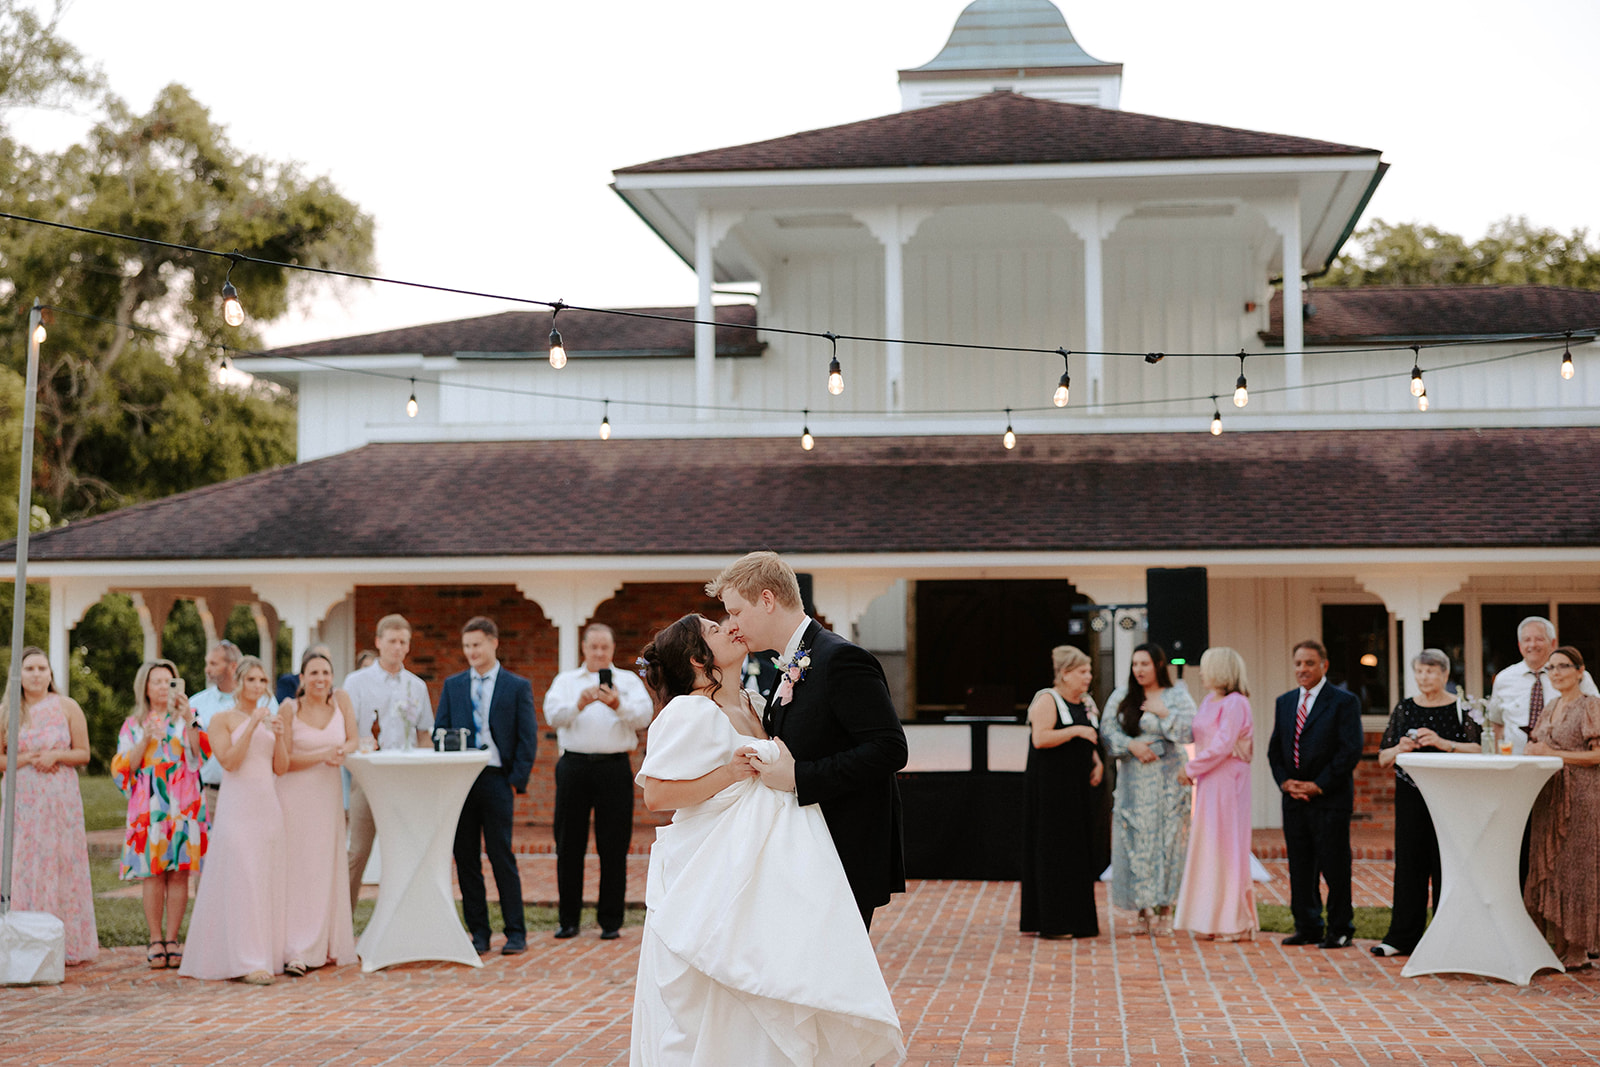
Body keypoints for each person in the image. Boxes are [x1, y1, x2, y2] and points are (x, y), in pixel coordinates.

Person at [630, 613, 903, 1066]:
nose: (728, 627)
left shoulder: (756, 703)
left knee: (779, 979)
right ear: (700, 660)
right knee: (727, 992)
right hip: (719, 875)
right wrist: (729, 773)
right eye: (714, 629)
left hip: (768, 871)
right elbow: (657, 795)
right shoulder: (690, 710)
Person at [711, 550, 908, 930]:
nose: (732, 625)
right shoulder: (791, 661)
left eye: (736, 612)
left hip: (843, 850)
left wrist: (800, 777)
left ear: (767, 600)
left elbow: (889, 749)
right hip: (807, 853)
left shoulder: (841, 659)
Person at [179, 657, 289, 984]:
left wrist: (279, 736)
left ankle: (265, 954)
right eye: (251, 680)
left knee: (264, 879)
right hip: (236, 807)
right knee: (242, 878)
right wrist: (253, 725)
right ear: (239, 682)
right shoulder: (221, 719)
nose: (258, 686)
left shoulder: (272, 717)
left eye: (262, 680)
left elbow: (280, 768)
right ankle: (246, 960)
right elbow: (229, 762)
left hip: (266, 805)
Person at [434, 616, 538, 955]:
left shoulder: (516, 686)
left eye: (477, 644)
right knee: (465, 857)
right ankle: (479, 932)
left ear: (494, 642)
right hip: (461, 781)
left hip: (496, 779)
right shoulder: (453, 686)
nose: (471, 652)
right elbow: (440, 731)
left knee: (500, 854)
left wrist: (515, 781)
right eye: (466, 646)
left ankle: (516, 932)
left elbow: (527, 737)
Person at [543, 622, 654, 940]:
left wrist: (617, 704)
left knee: (614, 844)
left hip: (614, 768)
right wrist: (579, 704)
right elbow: (552, 715)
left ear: (613, 649)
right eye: (594, 647)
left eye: (605, 647)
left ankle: (610, 921)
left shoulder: (628, 681)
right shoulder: (566, 681)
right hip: (574, 766)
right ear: (584, 648)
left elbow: (644, 717)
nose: (600, 653)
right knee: (569, 843)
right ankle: (568, 920)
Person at [1371, 648, 1480, 958]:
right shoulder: (1405, 709)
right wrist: (1401, 747)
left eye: (1430, 671)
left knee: (1446, 863)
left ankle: (1448, 937)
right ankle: (1402, 938)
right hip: (1411, 796)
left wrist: (1444, 744)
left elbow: (1481, 749)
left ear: (1445, 675)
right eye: (1419, 672)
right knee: (1409, 865)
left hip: (1451, 798)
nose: (1424, 677)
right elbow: (1382, 757)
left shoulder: (1461, 709)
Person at [0, 646, 98, 964]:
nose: (37, 674)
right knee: (23, 864)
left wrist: (56, 755)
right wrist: (28, 758)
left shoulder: (67, 707)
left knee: (60, 862)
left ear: (51, 674)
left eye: (42, 668)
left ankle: (66, 942)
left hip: (60, 799)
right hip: (22, 799)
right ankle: (22, 942)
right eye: (30, 669)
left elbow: (83, 753)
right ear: (19, 674)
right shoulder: (7, 711)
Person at [113, 658, 210, 970]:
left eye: (168, 681)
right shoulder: (133, 724)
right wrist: (145, 739)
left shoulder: (187, 719)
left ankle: (172, 938)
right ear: (144, 686)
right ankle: (155, 938)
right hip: (150, 806)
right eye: (156, 681)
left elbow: (202, 754)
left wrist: (189, 718)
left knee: (179, 871)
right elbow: (124, 768)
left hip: (184, 804)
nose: (162, 687)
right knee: (153, 872)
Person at [1267, 639, 1363, 949]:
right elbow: (1274, 750)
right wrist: (1286, 782)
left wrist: (1318, 784)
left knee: (1334, 866)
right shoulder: (1284, 702)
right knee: (1300, 866)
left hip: (1329, 798)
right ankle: (1307, 925)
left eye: (1309, 663)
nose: (1302, 669)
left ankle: (1340, 928)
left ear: (1324, 665)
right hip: (1293, 799)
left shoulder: (1343, 702)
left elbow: (1350, 751)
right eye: (1298, 664)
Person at [1101, 642, 1197, 936]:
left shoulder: (1176, 695)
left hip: (1169, 782)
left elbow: (1191, 729)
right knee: (1137, 841)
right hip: (1134, 781)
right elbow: (1107, 730)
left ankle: (1166, 909)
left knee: (1168, 842)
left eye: (1144, 664)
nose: (1139, 670)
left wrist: (1164, 713)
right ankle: (1143, 909)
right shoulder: (1123, 695)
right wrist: (1131, 745)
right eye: (1134, 665)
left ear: (1158, 665)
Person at [342, 614, 432, 910]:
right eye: (392, 641)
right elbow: (345, 728)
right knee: (357, 852)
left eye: (403, 642)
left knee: (404, 853)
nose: (397, 647)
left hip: (404, 780)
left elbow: (424, 736)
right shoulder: (356, 683)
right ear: (379, 642)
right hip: (367, 778)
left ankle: (401, 920)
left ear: (408, 646)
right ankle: (342, 923)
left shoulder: (417, 686)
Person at [276, 648, 358, 974]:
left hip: (328, 798)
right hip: (294, 798)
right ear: (302, 678)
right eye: (313, 673)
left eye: (325, 672)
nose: (320, 679)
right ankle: (296, 948)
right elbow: (284, 762)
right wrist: (325, 752)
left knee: (325, 868)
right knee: (297, 871)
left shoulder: (342, 702)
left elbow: (353, 740)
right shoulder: (288, 709)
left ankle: (325, 943)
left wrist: (341, 751)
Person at [1020, 645, 1104, 940]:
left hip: (1079, 790)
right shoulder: (1048, 699)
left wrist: (1096, 761)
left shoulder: (1087, 702)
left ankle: (1079, 919)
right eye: (1082, 671)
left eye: (1089, 671)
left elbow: (1092, 736)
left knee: (1079, 852)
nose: (1088, 677)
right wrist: (1075, 732)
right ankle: (1054, 920)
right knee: (1054, 851)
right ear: (1065, 674)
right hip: (1052, 791)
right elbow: (1041, 738)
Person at [1173, 647, 1257, 942]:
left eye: (1207, 666)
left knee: (1228, 846)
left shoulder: (1236, 703)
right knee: (1208, 846)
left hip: (1228, 780)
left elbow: (1223, 744)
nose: (1201, 672)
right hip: (1209, 780)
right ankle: (1208, 917)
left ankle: (1234, 922)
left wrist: (1191, 768)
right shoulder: (1209, 701)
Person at [1523, 645, 1600, 968]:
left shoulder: (1591, 706)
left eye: (1563, 666)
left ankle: (1579, 948)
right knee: (1549, 868)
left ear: (1580, 671)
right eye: (1551, 668)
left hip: (1581, 797)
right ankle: (1558, 945)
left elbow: (1597, 756)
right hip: (1547, 797)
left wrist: (1554, 755)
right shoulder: (1549, 706)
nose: (1556, 673)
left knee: (1575, 870)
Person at [1490, 617, 1599, 755]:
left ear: (1553, 643)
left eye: (1539, 639)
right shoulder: (1503, 679)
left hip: (1565, 763)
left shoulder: (1574, 676)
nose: (1532, 645)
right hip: (1516, 762)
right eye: (1527, 640)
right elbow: (1497, 724)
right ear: (1519, 645)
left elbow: (1595, 717)